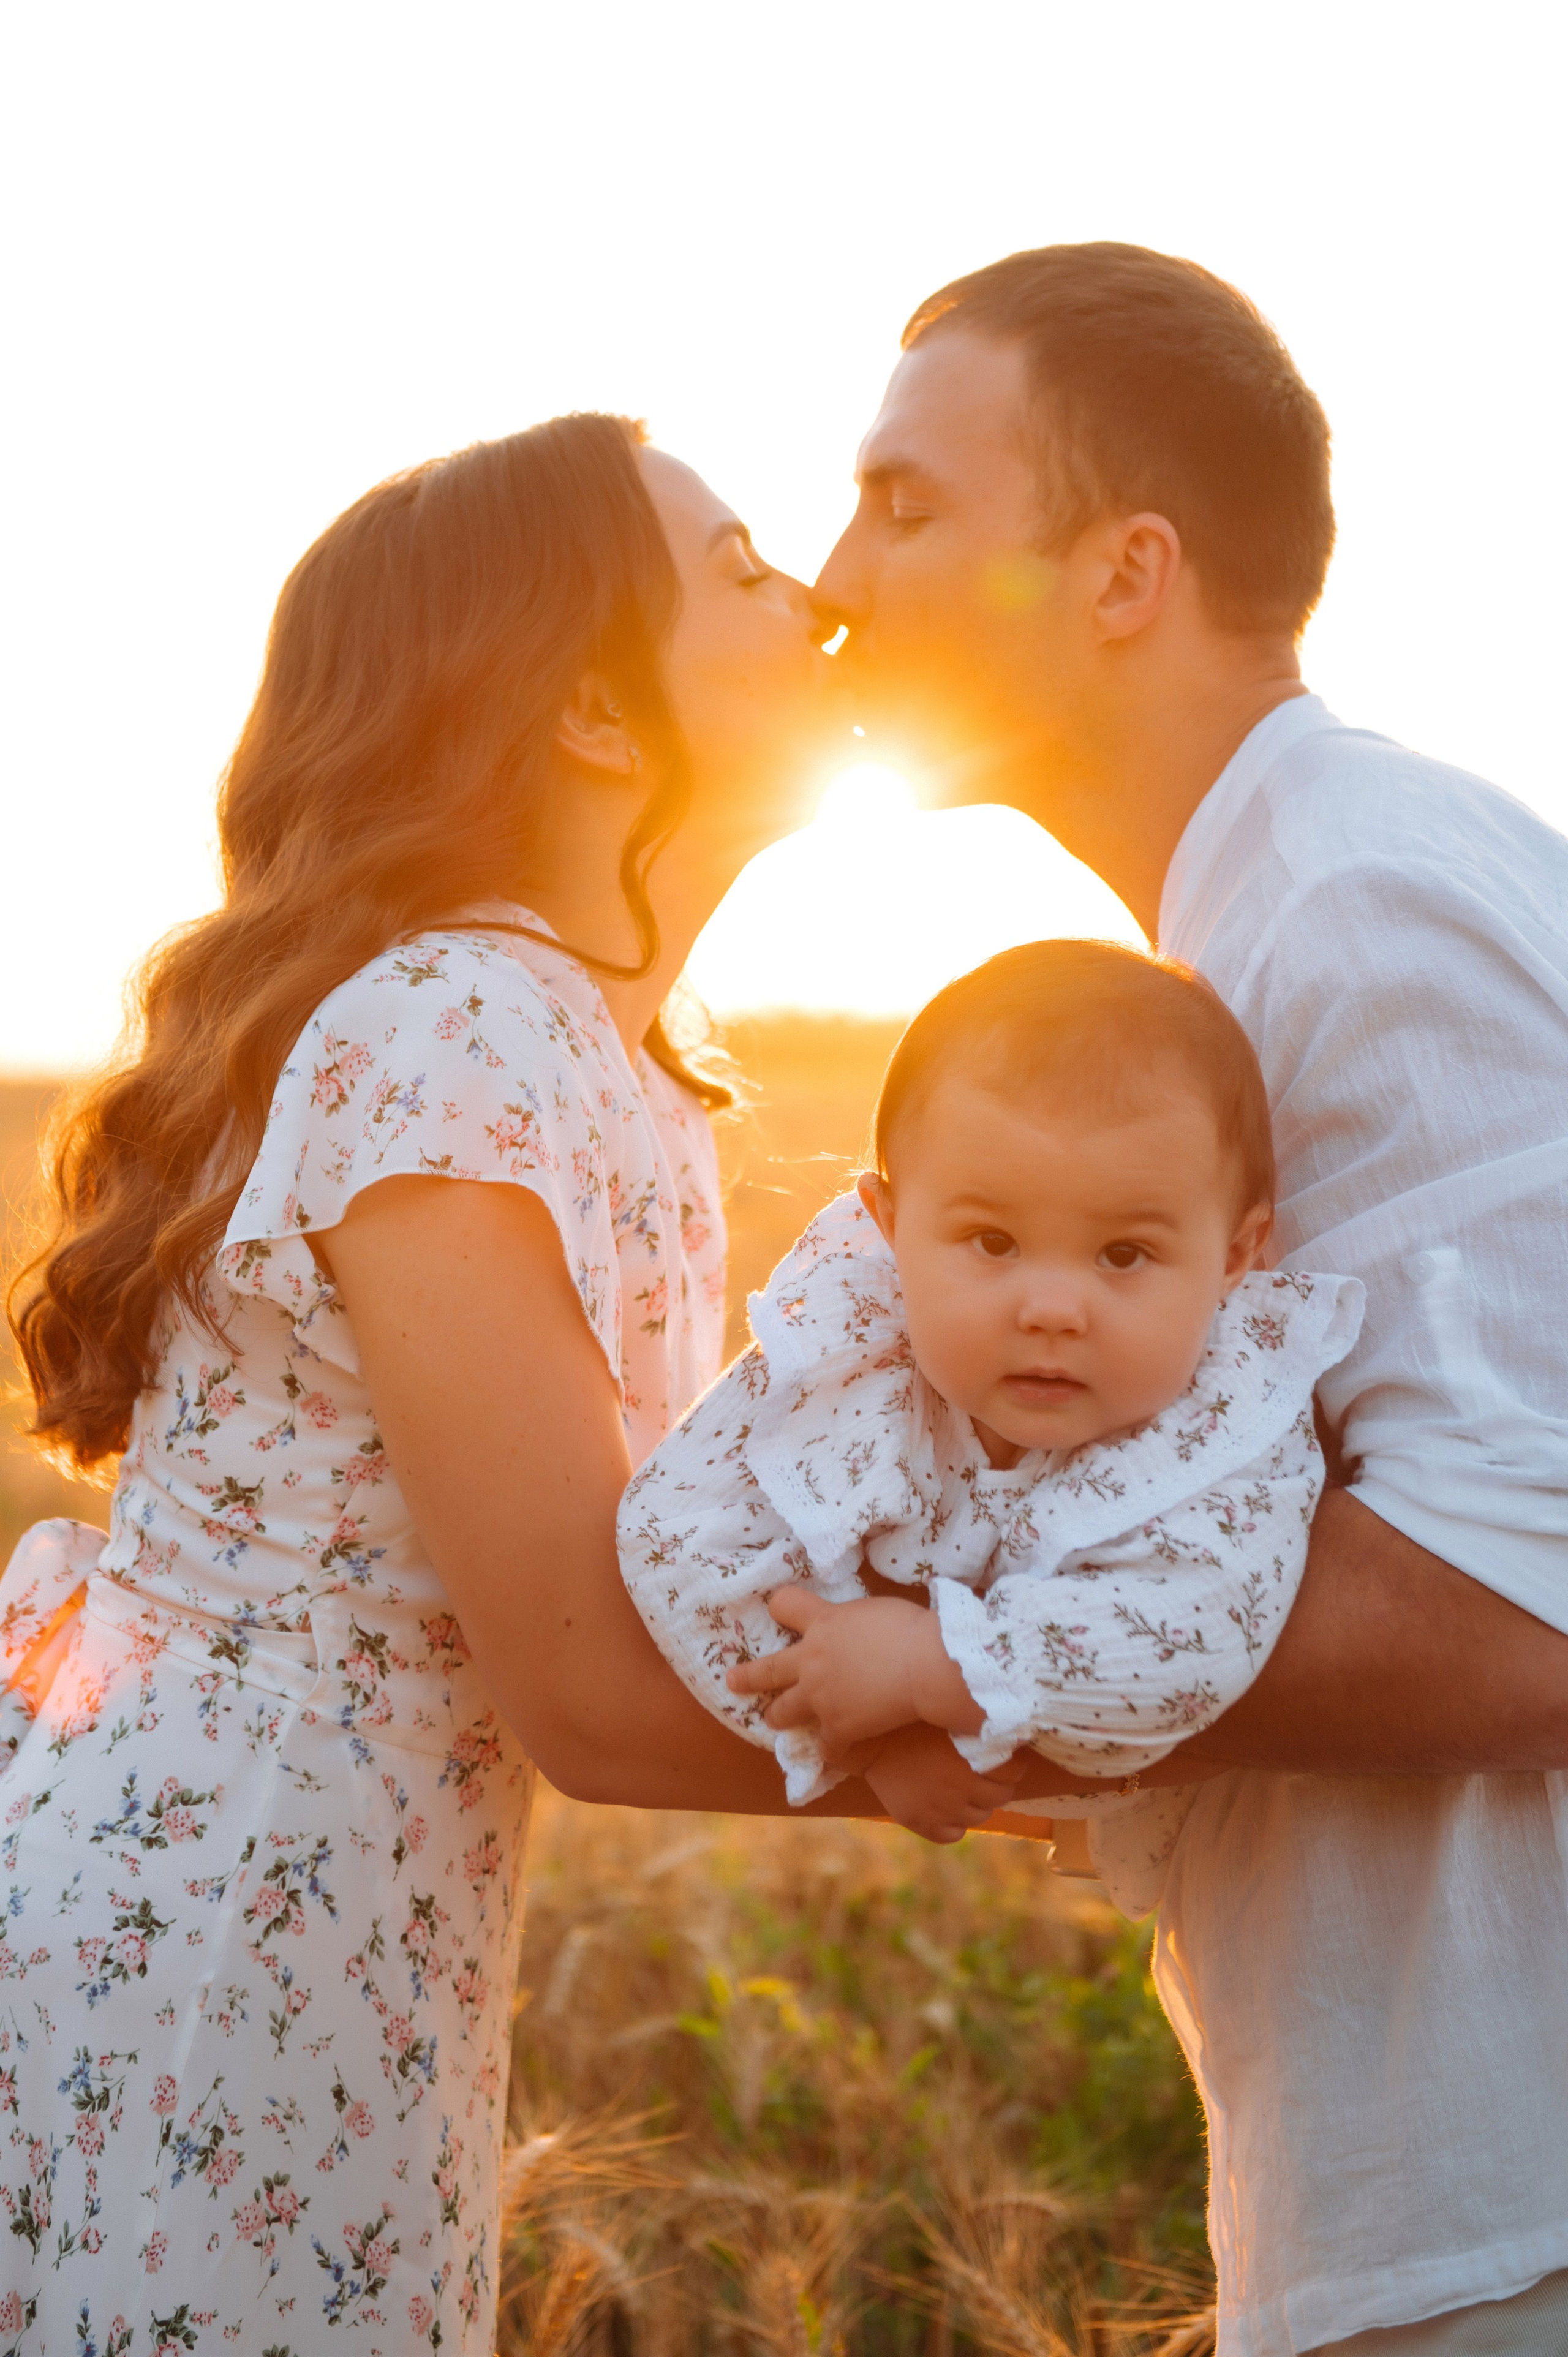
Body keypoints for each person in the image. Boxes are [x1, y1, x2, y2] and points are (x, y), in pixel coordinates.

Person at [2, 416, 1022, 2348]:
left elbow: (688, 1571)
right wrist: (1077, 1738)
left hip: (344, 1922)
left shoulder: (603, 1050)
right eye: (739, 570)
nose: (814, 601)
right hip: (229, 1936)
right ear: (597, 717)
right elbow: (594, 1692)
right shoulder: (459, 1025)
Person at [810, 243, 1568, 2355]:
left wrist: (966, 1670)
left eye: (906, 505)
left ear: (1125, 572)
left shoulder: (1357, 901)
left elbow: (1524, 1611)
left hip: (1512, 2181)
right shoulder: (1270, 905)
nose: (837, 578)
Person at [620, 938, 1360, 1915]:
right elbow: (674, 1537)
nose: (1051, 1308)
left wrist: (930, 1669)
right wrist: (859, 1732)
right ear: (890, 1228)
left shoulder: (1228, 1418)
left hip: (1256, 1870)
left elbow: (1191, 1640)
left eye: (1124, 1254)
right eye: (994, 1241)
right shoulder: (857, 1351)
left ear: (1235, 1256)